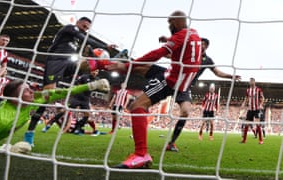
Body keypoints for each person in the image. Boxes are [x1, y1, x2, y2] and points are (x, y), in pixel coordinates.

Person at [107, 10, 202, 169]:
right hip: (183, 82)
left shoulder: (180, 36)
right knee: (142, 69)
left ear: (177, 22)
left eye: (170, 22)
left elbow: (157, 54)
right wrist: (169, 39)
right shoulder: (194, 33)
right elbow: (180, 45)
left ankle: (141, 155)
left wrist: (128, 65)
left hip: (171, 80)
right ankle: (110, 65)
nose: (169, 25)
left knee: (137, 106)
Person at [25, 17, 115, 146]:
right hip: (55, 62)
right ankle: (30, 132)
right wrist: (104, 46)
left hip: (67, 64)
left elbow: (89, 50)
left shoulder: (79, 40)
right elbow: (85, 38)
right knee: (47, 96)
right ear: (78, 23)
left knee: (89, 65)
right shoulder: (69, 28)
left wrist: (102, 60)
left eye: (87, 28)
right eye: (84, 26)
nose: (85, 30)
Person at [0, 78, 110, 153]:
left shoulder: (34, 99)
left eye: (29, 88)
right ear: (15, 99)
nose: (32, 91)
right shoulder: (2, 120)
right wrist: (6, 149)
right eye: (26, 91)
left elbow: (62, 92)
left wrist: (92, 85)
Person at [165, 37, 242, 152]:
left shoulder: (207, 60)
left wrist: (230, 76)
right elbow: (170, 55)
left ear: (207, 47)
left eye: (205, 44)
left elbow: (217, 72)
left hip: (185, 87)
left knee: (185, 112)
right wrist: (166, 47)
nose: (202, 46)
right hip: (171, 81)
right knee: (146, 100)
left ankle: (171, 143)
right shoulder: (188, 53)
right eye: (200, 44)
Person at [240, 78, 265, 144]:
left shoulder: (258, 90)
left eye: (251, 81)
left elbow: (262, 98)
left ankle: (261, 140)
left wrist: (261, 104)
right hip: (250, 110)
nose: (250, 82)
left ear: (254, 82)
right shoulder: (248, 90)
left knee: (257, 124)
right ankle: (244, 140)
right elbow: (246, 99)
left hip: (256, 109)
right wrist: (243, 104)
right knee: (246, 124)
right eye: (249, 81)